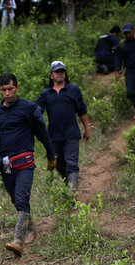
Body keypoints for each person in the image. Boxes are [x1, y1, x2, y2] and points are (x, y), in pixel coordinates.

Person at [0, 73, 55, 257]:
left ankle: (18, 240)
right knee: (16, 200)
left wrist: (51, 154)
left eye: (10, 89)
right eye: (3, 90)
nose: (7, 93)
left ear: (17, 87)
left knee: (22, 196)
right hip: (6, 166)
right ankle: (31, 229)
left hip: (25, 163)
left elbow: (42, 132)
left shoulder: (29, 108)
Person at [36, 61, 91, 194]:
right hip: (54, 136)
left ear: (65, 74)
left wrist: (87, 128)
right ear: (51, 75)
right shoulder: (46, 94)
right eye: (57, 72)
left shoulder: (73, 90)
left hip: (71, 133)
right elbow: (38, 110)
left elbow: (81, 110)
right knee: (59, 165)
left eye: (62, 72)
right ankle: (69, 185)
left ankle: (71, 195)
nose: (60, 74)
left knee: (71, 163)